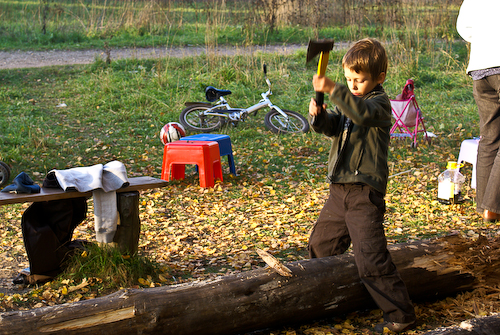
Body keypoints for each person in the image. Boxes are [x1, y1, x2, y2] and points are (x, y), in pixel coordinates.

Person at [307, 38, 416, 333]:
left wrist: (333, 89)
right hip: (339, 189)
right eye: (348, 80)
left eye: (359, 80)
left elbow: (360, 114)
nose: (353, 85)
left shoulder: (379, 104)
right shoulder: (351, 102)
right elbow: (336, 127)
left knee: (371, 256)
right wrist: (319, 117)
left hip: (364, 194)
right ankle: (316, 301)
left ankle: (400, 314)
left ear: (379, 78)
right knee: (320, 246)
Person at [456, 0, 500, 222]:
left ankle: (484, 206)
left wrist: (487, 38)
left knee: (489, 137)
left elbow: (464, 29)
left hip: (480, 67)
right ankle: (493, 206)